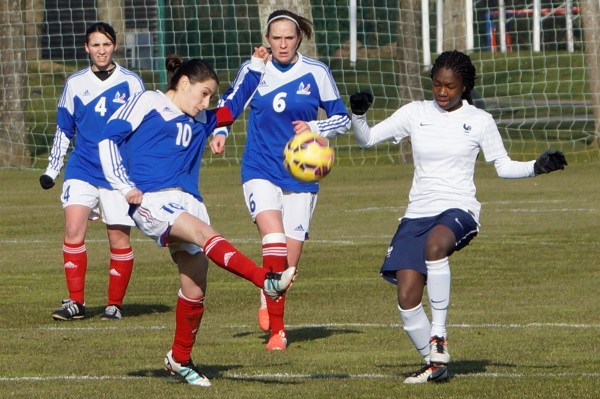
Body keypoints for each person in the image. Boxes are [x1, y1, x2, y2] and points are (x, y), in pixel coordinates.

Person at [349, 50, 567, 384]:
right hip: (415, 214)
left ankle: (439, 336)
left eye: (450, 86)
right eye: (437, 84)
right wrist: (359, 114)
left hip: (459, 209)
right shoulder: (415, 112)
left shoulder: (479, 120)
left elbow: (503, 166)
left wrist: (536, 167)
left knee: (436, 246)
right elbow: (366, 140)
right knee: (407, 298)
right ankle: (434, 365)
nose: (442, 92)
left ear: (464, 86)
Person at [98, 48, 296, 387]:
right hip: (153, 200)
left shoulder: (202, 119)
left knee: (194, 288)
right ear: (184, 83)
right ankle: (265, 280)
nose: (206, 103)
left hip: (189, 201)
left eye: (210, 97)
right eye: (203, 94)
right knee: (205, 233)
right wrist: (124, 185)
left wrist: (256, 65)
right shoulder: (148, 102)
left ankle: (180, 358)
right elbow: (107, 139)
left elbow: (234, 104)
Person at [212, 9, 351, 351]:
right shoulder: (255, 68)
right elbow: (229, 104)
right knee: (272, 238)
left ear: (299, 38)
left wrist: (315, 127)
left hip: (301, 175)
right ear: (267, 40)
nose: (283, 44)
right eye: (276, 38)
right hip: (259, 168)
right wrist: (220, 130)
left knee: (287, 267)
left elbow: (342, 120)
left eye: (289, 37)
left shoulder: (315, 72)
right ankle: (278, 332)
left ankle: (267, 292)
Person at [39, 22, 145, 321]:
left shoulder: (132, 83)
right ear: (87, 48)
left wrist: (139, 174)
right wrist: (52, 170)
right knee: (73, 231)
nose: (101, 50)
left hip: (118, 175)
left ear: (114, 46)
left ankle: (114, 305)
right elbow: (64, 129)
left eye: (106, 44)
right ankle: (75, 302)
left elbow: (141, 131)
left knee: (118, 238)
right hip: (81, 168)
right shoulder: (75, 83)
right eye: (95, 45)